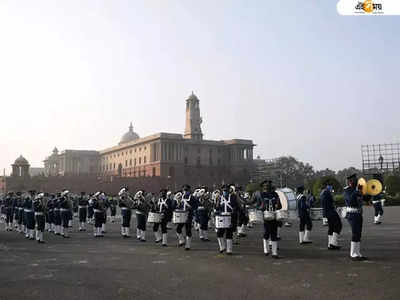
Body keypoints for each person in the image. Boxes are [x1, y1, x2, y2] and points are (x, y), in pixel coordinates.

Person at [254, 180, 282, 258]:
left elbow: (280, 206)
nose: (267, 187)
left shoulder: (275, 194)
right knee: (266, 233)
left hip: (274, 216)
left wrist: (278, 205)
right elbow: (258, 206)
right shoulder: (261, 195)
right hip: (266, 217)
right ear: (263, 187)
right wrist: (261, 207)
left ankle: (274, 253)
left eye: (269, 185)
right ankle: (266, 250)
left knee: (274, 234)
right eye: (266, 186)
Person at [344, 174, 367, 261]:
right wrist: (356, 192)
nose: (356, 181)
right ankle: (353, 254)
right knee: (355, 233)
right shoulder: (347, 190)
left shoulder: (357, 190)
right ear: (350, 182)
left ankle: (358, 253)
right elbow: (349, 200)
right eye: (354, 180)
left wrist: (368, 192)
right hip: (352, 214)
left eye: (356, 179)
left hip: (359, 214)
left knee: (359, 233)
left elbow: (365, 199)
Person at [215, 184, 238, 255]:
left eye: (226, 190)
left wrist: (234, 211)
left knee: (229, 233)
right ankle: (222, 247)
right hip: (222, 217)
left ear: (229, 190)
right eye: (224, 190)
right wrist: (217, 201)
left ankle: (229, 250)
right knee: (219, 233)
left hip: (230, 217)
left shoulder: (233, 197)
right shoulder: (219, 198)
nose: (225, 192)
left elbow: (236, 206)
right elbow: (217, 208)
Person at [174, 185, 198, 250]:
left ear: (189, 190)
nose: (185, 191)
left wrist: (190, 208)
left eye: (186, 190)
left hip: (188, 216)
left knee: (188, 230)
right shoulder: (180, 197)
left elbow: (196, 206)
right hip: (181, 215)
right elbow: (175, 206)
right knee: (178, 229)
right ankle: (182, 240)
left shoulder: (192, 197)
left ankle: (188, 245)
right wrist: (177, 202)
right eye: (184, 190)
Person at [320, 184, 342, 250]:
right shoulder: (327, 192)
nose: (331, 188)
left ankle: (330, 244)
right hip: (331, 211)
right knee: (338, 225)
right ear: (328, 186)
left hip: (326, 212)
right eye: (330, 186)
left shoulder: (323, 193)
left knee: (331, 227)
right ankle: (333, 243)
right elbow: (331, 202)